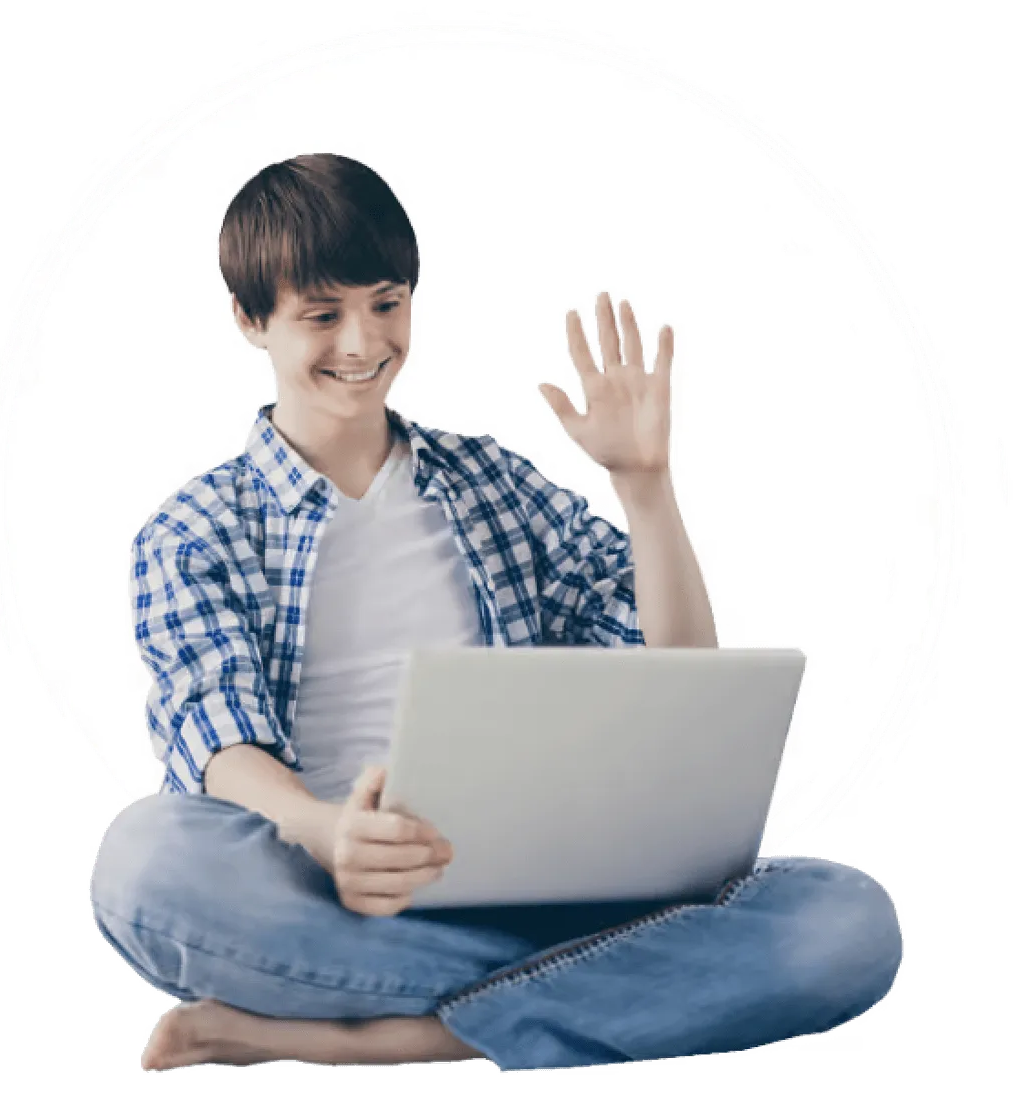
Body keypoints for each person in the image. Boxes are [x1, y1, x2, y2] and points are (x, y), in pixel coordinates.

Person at [87, 153, 905, 1074]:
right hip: (331, 890)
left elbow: (675, 671)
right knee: (145, 865)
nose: (362, 344)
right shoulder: (194, 528)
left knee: (849, 922)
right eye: (323, 315)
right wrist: (331, 833)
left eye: (387, 304)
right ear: (250, 320)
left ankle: (381, 1037)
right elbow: (214, 734)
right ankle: (607, 994)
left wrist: (645, 490)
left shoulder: (488, 483)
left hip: (552, 880)